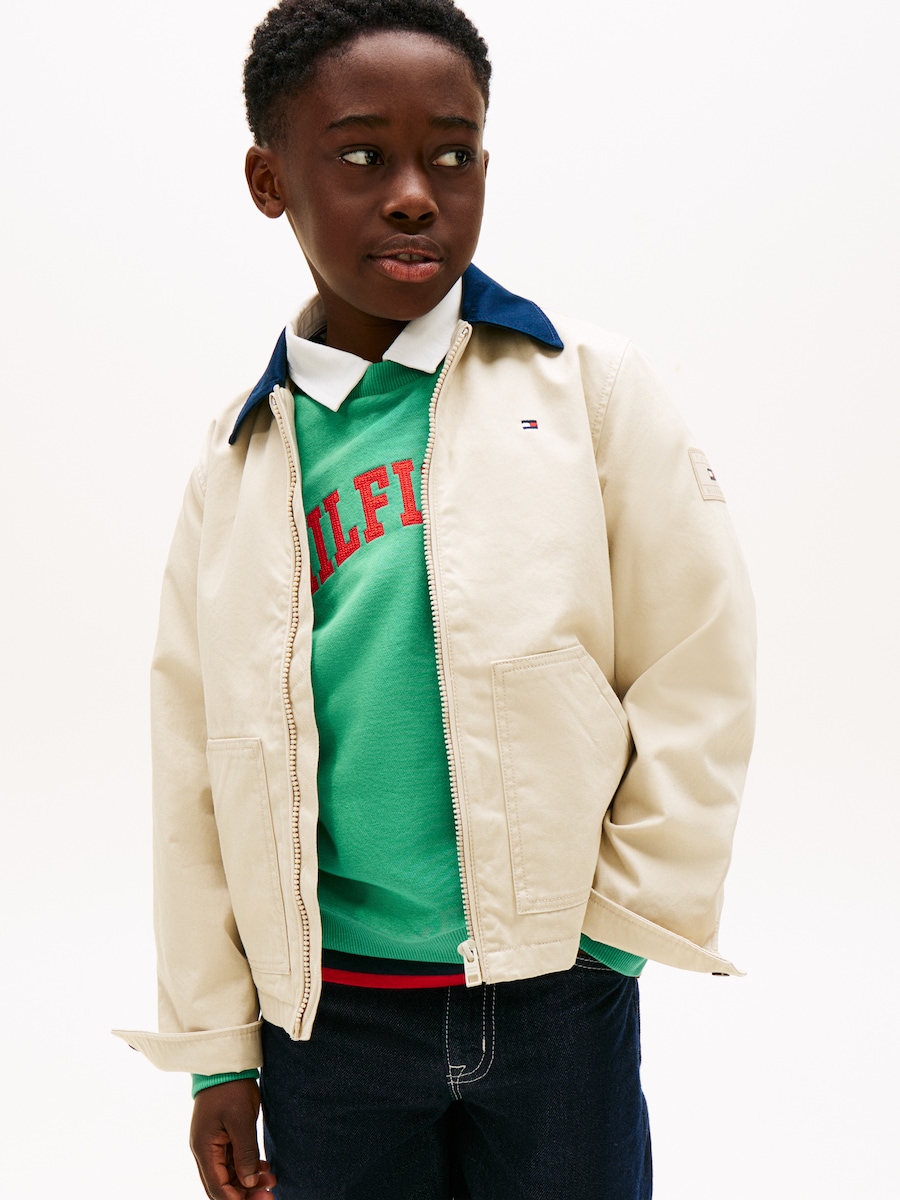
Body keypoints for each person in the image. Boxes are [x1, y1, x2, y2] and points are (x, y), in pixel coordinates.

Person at [114, 1, 756, 1196]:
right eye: (362, 156)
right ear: (270, 180)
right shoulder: (239, 458)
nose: (415, 195)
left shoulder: (587, 390)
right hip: (331, 1020)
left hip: (558, 990)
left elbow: (697, 663)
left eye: (451, 156)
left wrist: (618, 932)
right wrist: (216, 1052)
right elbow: (195, 764)